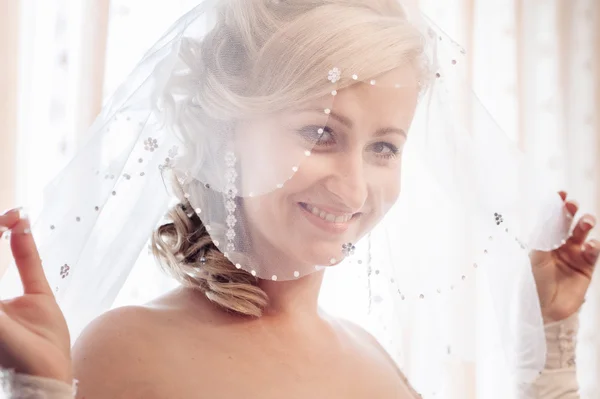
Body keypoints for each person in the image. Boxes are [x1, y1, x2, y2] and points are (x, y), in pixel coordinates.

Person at [0, 1, 598, 398]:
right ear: (223, 133)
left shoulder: (374, 360)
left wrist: (553, 341)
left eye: (384, 147)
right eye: (320, 133)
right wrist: (41, 391)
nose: (356, 187)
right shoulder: (126, 350)